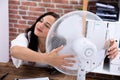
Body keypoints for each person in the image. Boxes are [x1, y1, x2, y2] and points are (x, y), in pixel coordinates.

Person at [10, 12, 118, 70]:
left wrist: (111, 46)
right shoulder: (25, 37)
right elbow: (15, 51)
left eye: (47, 25)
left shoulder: (59, 43)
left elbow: (85, 45)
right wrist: (46, 58)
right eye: (40, 21)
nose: (40, 25)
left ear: (53, 33)